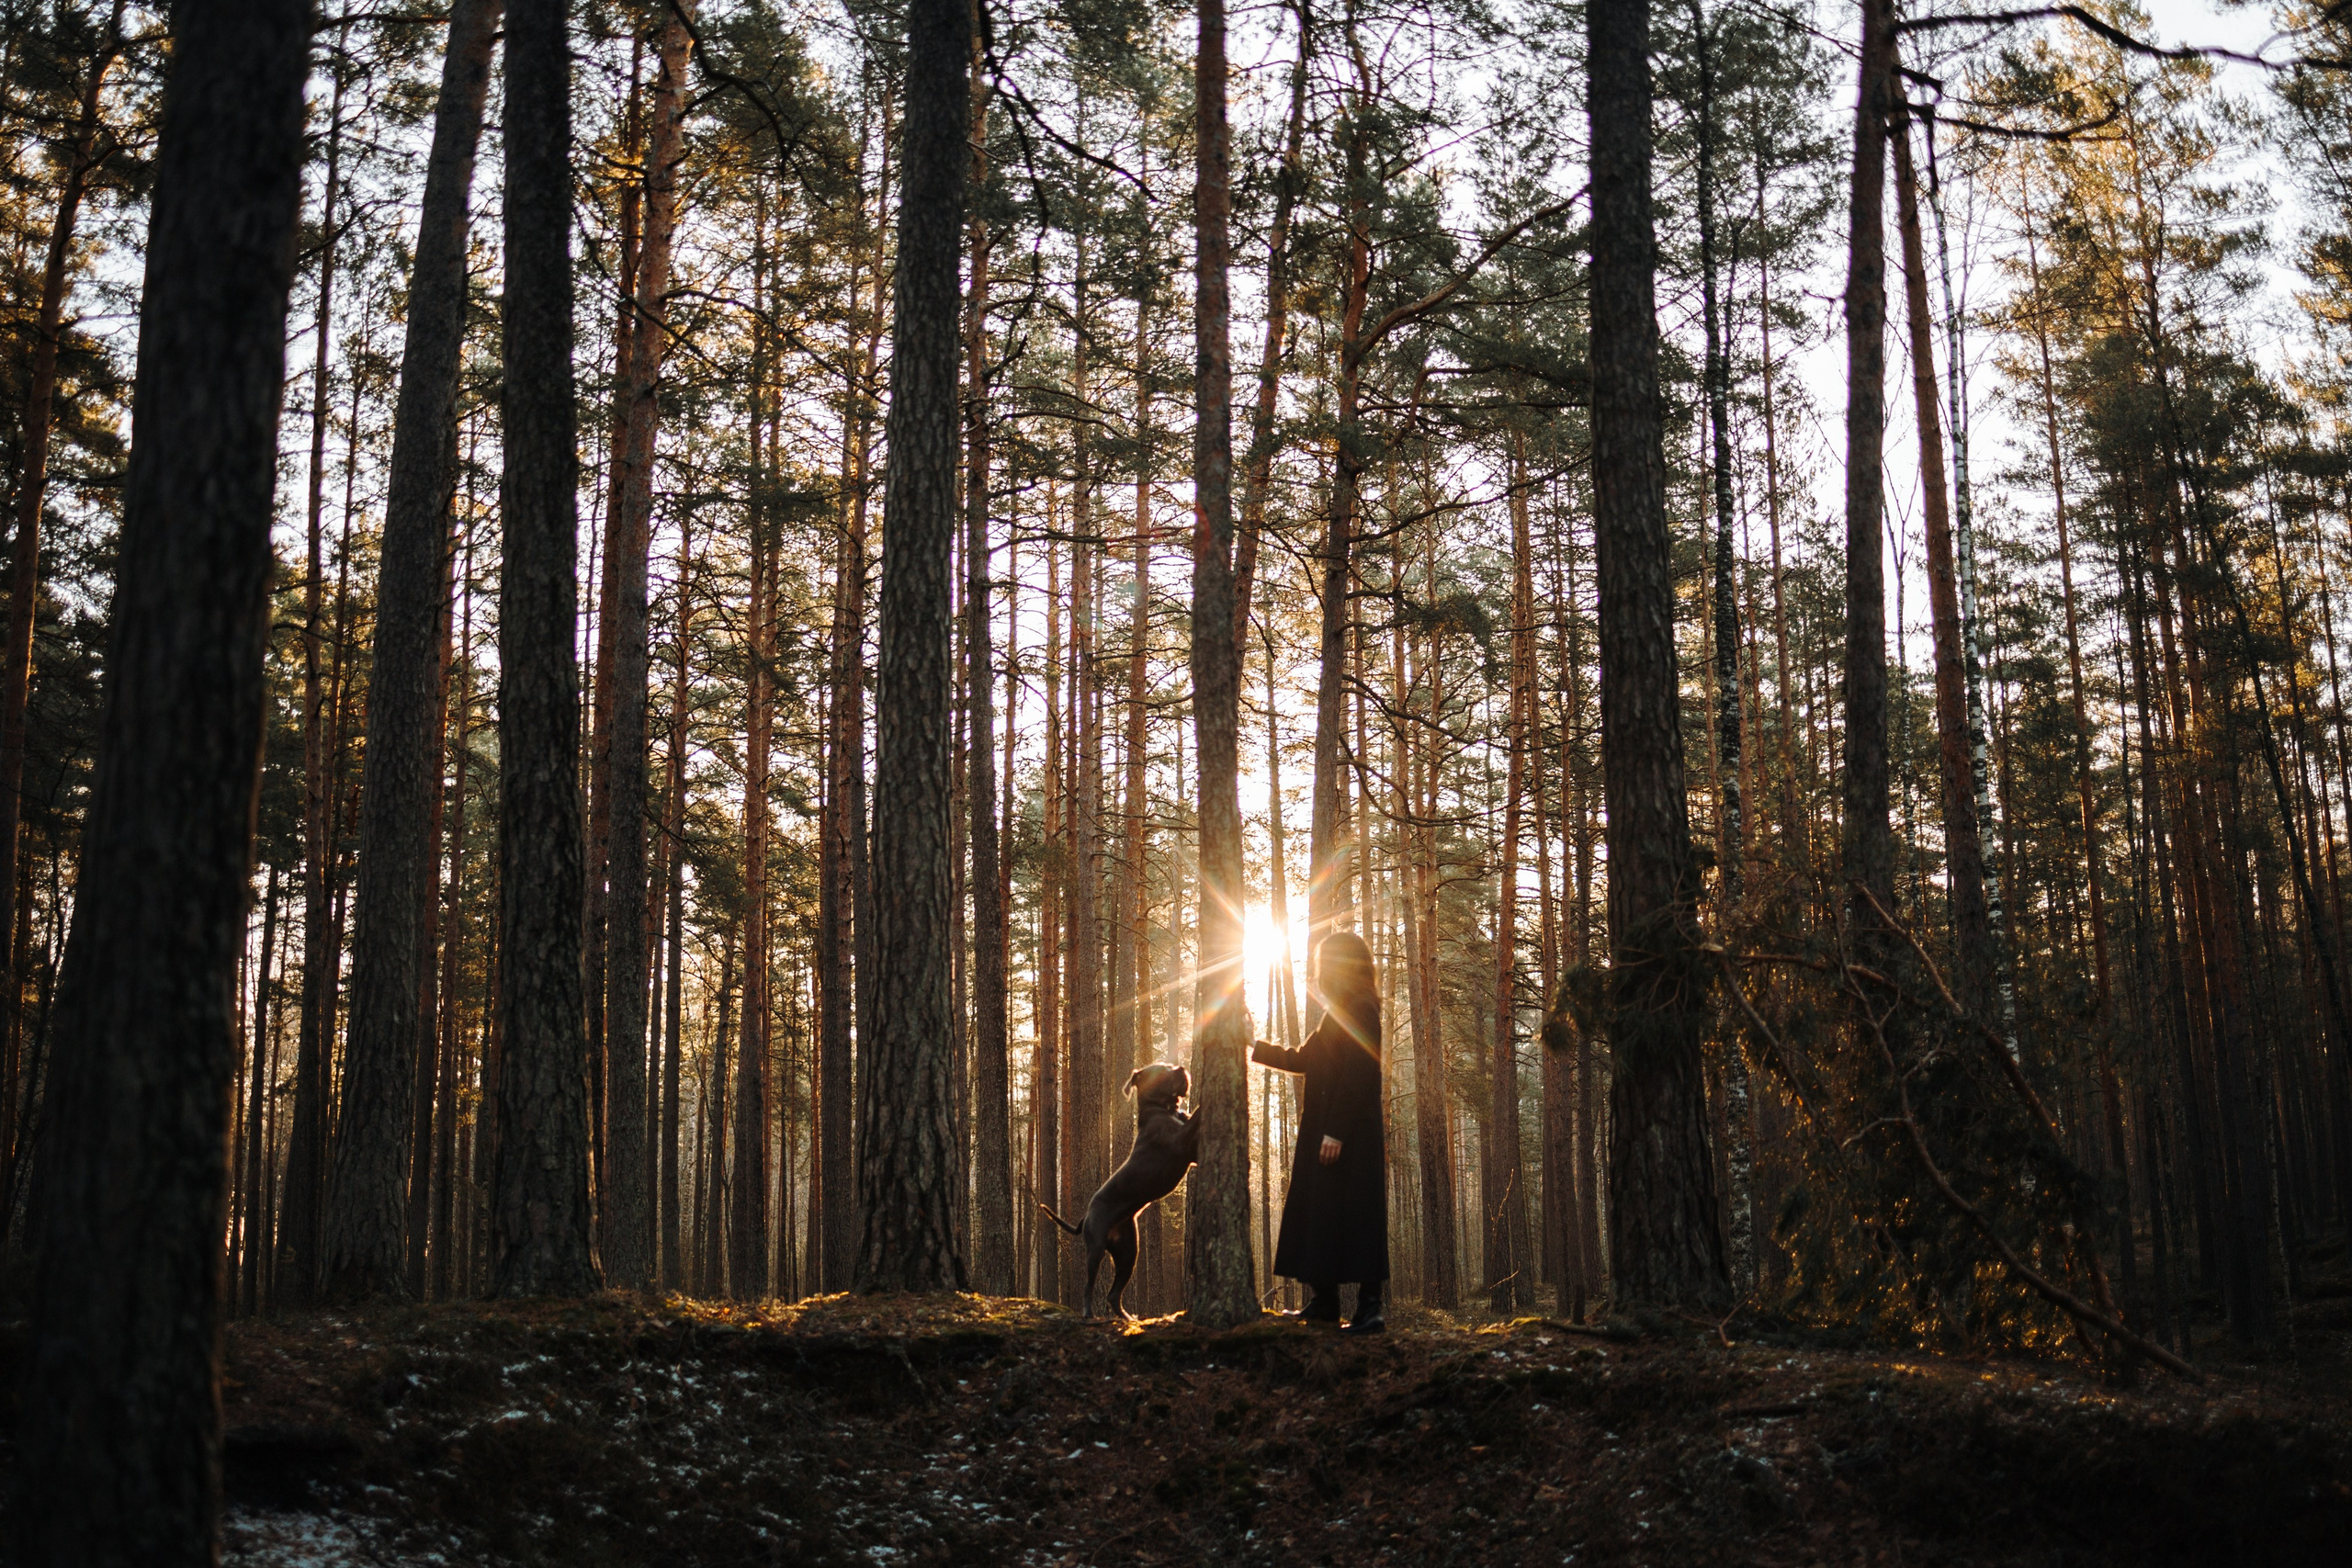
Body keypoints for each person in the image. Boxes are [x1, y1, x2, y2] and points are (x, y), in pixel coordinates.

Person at [1252, 930, 1389, 1333]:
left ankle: (1370, 1310)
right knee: (1323, 1213)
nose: (1319, 970)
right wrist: (1253, 1045)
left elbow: (1361, 1074)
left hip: (1352, 1134)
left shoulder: (1362, 1008)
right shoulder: (1339, 1012)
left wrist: (1337, 1132)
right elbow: (1303, 1059)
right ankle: (1324, 1304)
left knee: (1360, 1215)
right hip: (1330, 1131)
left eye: (1325, 962)